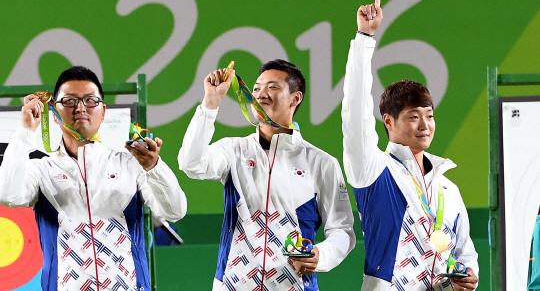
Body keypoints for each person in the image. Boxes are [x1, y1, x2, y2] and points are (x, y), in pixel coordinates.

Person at [0, 66, 187, 291]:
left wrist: (154, 167)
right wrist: (26, 131)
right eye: (69, 101)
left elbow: (175, 211)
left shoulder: (130, 164)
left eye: (90, 100)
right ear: (55, 112)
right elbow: (7, 195)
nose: (80, 107)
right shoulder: (42, 169)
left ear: (104, 111)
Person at [178, 59, 355, 291]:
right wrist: (210, 103)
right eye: (257, 88)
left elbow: (342, 230)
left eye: (272, 87)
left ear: (295, 98)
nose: (261, 94)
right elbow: (191, 163)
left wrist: (321, 255)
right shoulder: (234, 150)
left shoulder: (322, 163)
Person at [341, 0, 479, 291]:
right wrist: (364, 39)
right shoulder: (374, 169)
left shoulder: (448, 189)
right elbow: (355, 112)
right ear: (388, 121)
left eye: (429, 116)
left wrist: (468, 276)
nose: (425, 125)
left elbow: (465, 253)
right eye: (413, 116)